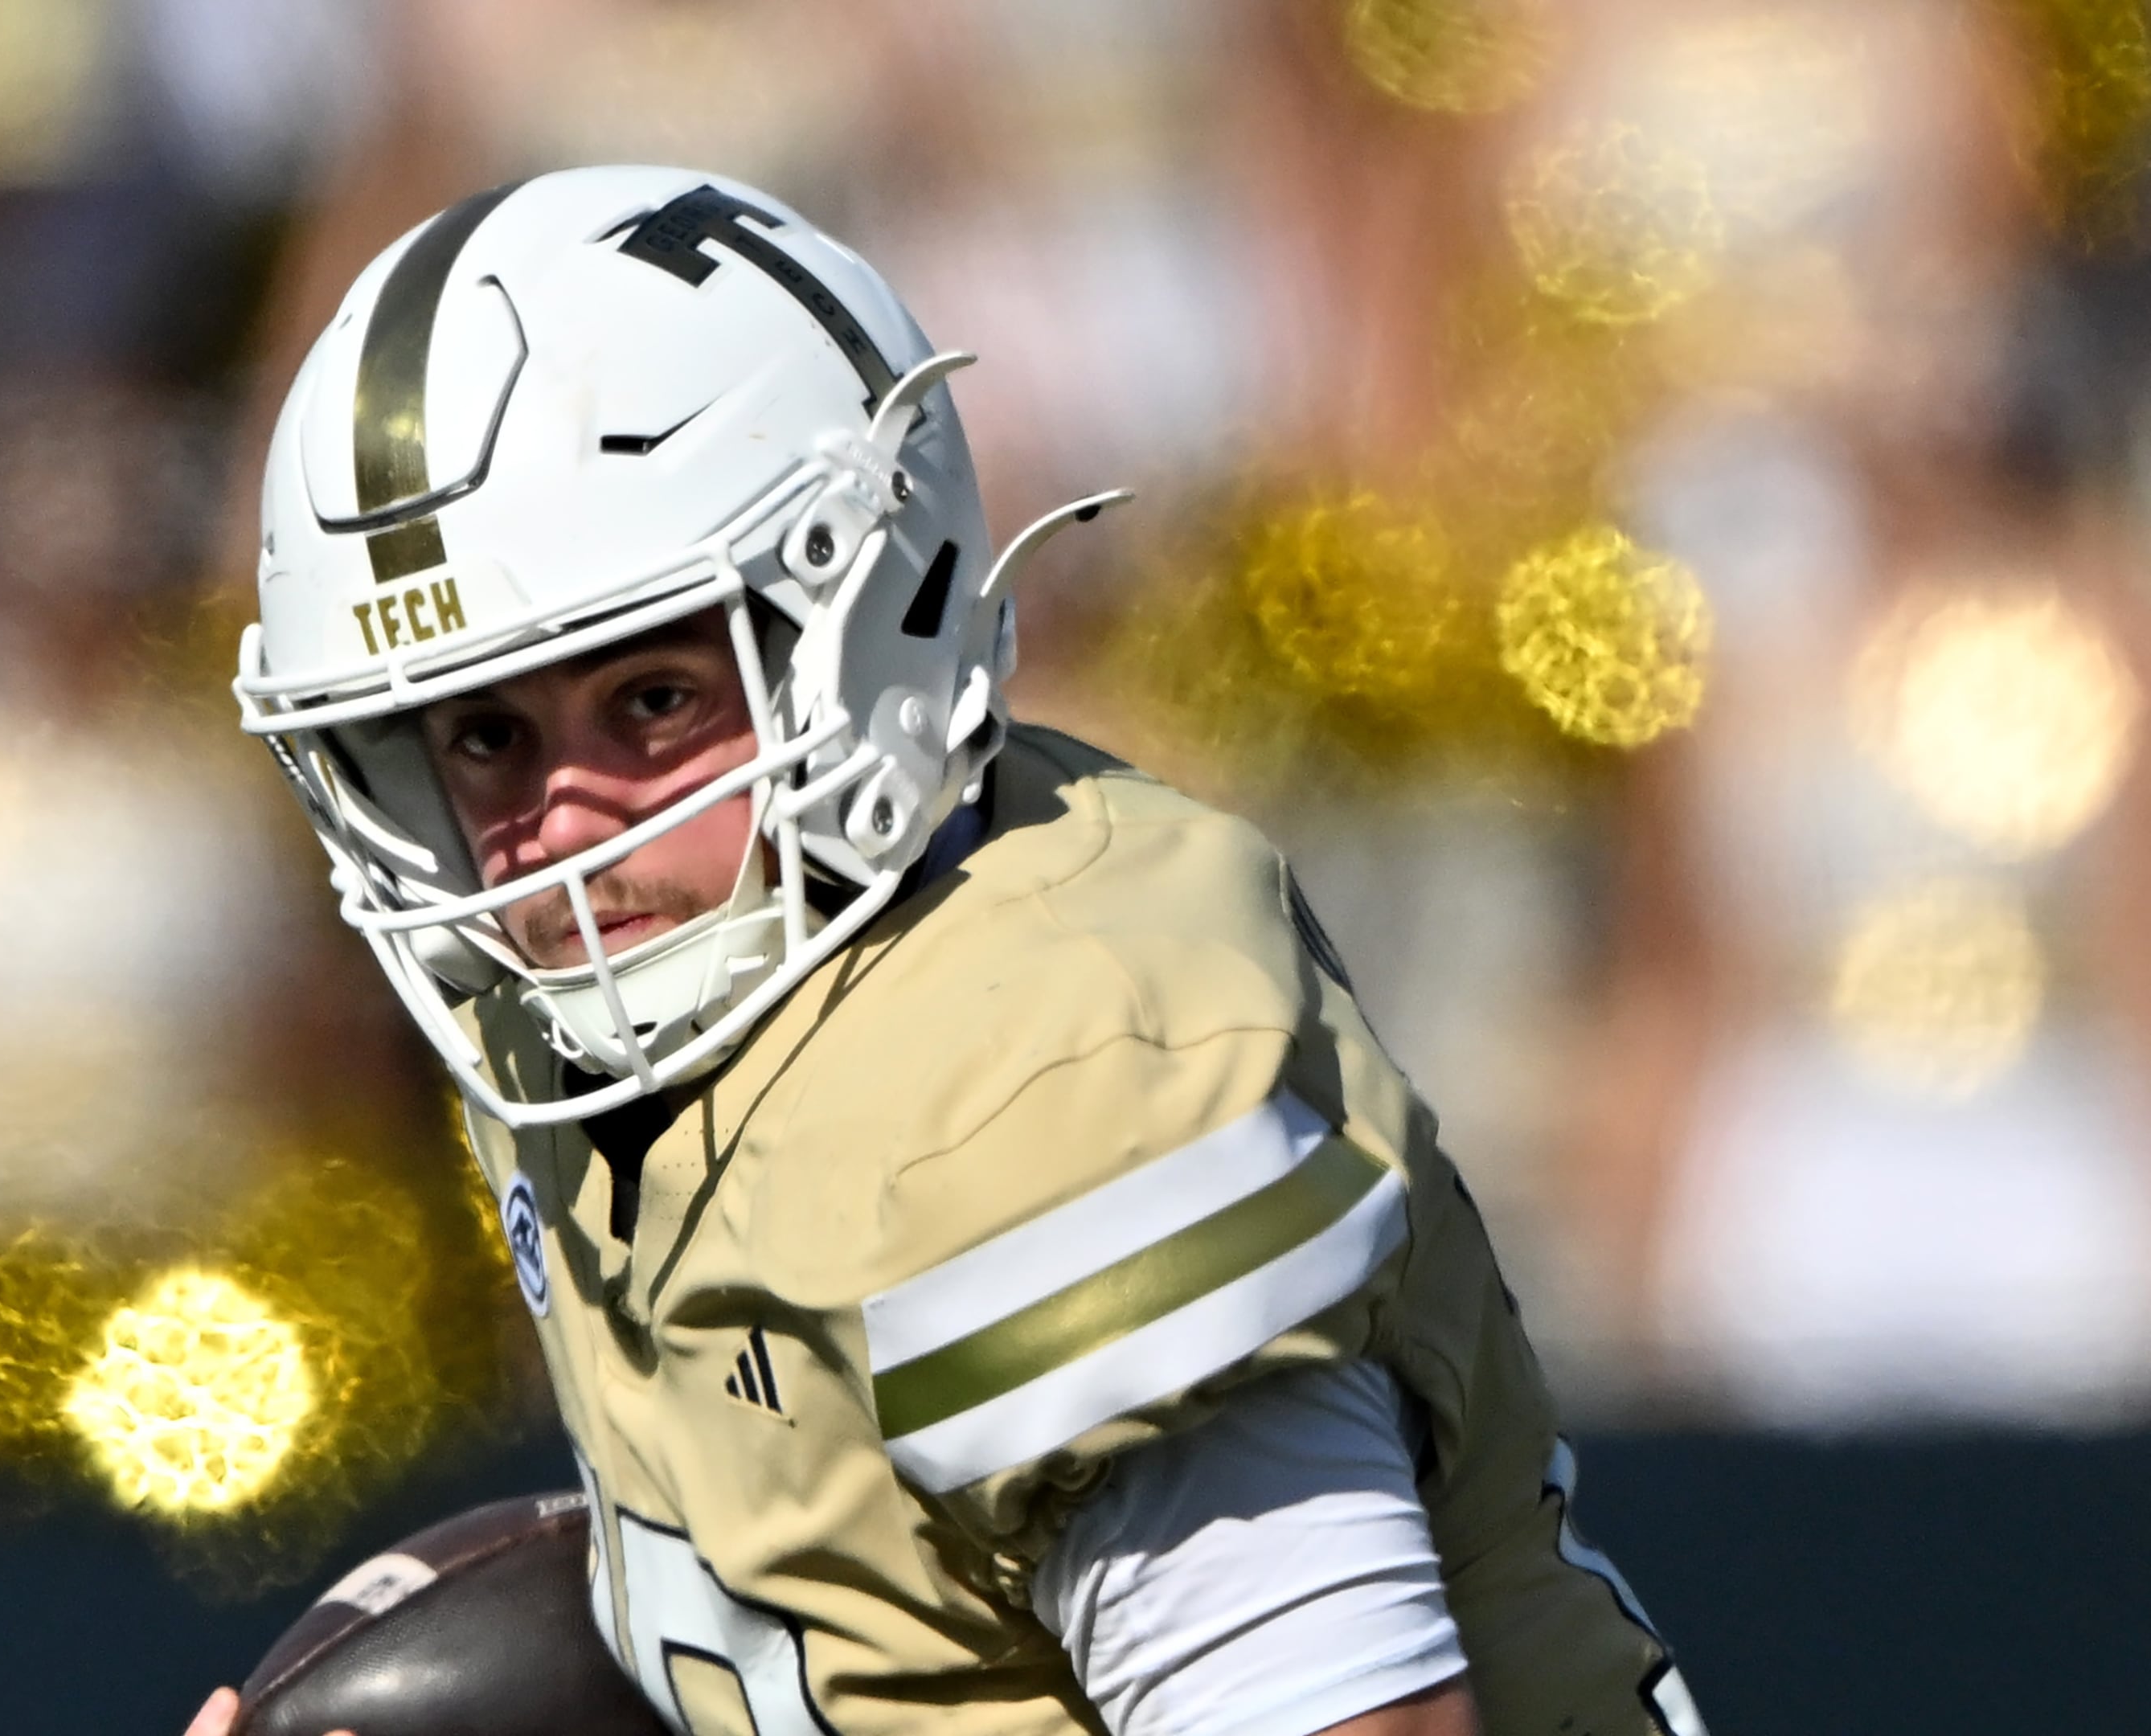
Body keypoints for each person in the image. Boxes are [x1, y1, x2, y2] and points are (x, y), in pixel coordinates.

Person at [194, 166, 1704, 1736]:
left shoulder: (1034, 1067)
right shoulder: (606, 1032)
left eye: (650, 702)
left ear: (864, 619)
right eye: (487, 735)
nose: (562, 826)